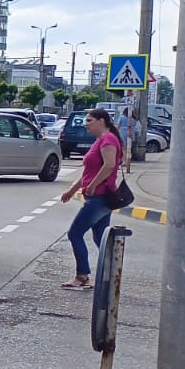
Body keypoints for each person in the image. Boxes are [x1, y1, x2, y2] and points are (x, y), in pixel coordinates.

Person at [60, 107, 123, 289]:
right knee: (100, 238)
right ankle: (109, 277)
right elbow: (88, 172)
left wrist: (94, 185)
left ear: (101, 121)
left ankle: (82, 276)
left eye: (89, 121)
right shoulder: (100, 140)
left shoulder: (108, 139)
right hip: (98, 197)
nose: (86, 124)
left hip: (100, 197)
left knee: (75, 233)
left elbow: (109, 165)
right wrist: (72, 190)